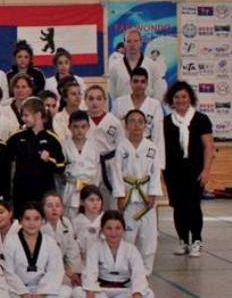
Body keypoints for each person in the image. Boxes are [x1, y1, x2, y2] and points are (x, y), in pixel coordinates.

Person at [163, 82, 214, 257]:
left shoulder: (201, 119)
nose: (180, 100)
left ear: (190, 98)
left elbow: (208, 147)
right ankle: (183, 240)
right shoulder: (166, 122)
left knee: (193, 206)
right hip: (173, 172)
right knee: (178, 207)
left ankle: (197, 240)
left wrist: (206, 170)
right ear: (172, 100)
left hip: (195, 171)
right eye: (177, 97)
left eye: (184, 96)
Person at [72, 210, 154, 298]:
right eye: (109, 228)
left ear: (123, 230)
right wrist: (90, 295)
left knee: (149, 294)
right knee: (77, 293)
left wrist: (137, 295)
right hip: (101, 290)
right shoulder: (95, 248)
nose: (113, 232)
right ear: (102, 230)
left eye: (118, 228)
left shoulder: (131, 250)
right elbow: (90, 273)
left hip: (124, 290)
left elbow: (138, 274)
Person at [110, 110, 162, 274]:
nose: (136, 125)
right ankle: (127, 269)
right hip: (128, 196)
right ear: (126, 126)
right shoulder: (121, 147)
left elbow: (156, 172)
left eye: (140, 121)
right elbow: (116, 172)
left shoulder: (151, 147)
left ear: (145, 125)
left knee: (149, 236)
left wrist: (153, 193)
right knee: (128, 235)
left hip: (146, 198)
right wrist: (120, 194)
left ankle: (146, 270)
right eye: (132, 121)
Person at [0, 204, 72, 298]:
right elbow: (8, 272)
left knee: (67, 292)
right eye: (27, 219)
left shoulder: (50, 242)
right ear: (20, 221)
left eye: (36, 219)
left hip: (40, 288)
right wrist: (24, 294)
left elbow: (55, 271)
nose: (32, 223)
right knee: (1, 295)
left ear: (43, 221)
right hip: (17, 290)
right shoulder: (10, 242)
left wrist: (42, 294)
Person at [6, 97, 65, 214]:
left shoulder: (52, 138)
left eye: (26, 115)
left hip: (43, 191)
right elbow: (6, 162)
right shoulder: (16, 137)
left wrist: (49, 160)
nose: (23, 119)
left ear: (38, 115)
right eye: (22, 116)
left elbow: (61, 167)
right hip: (21, 192)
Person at [113, 67, 166, 168]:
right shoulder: (119, 102)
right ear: (130, 82)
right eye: (136, 81)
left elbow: (158, 137)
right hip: (124, 150)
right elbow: (115, 132)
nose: (139, 85)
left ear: (147, 84)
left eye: (142, 82)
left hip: (146, 150)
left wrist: (159, 166)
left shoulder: (155, 105)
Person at [107, 29, 166, 102]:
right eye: (129, 41)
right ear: (124, 44)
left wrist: (151, 106)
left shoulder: (152, 65)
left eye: (136, 41)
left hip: (147, 107)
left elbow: (158, 91)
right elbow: (113, 93)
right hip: (124, 107)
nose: (132, 44)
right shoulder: (115, 67)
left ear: (141, 43)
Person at [61, 110, 100, 218]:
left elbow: (98, 171)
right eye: (76, 127)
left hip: (90, 187)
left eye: (83, 127)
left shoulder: (94, 146)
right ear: (69, 127)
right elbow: (60, 172)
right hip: (71, 188)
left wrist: (95, 191)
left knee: (90, 218)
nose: (79, 130)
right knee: (70, 219)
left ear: (88, 127)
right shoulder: (63, 146)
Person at [41, 190, 82, 285]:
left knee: (75, 284)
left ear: (62, 208)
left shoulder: (66, 223)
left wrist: (73, 272)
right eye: (50, 206)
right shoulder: (39, 226)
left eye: (57, 206)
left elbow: (72, 250)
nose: (54, 209)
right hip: (43, 269)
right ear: (43, 209)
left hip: (62, 267)